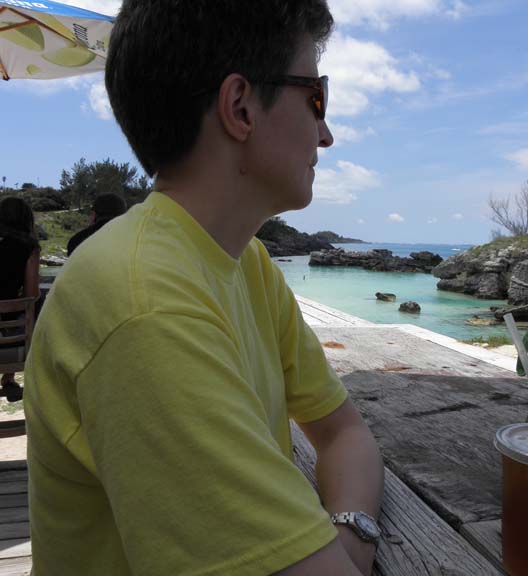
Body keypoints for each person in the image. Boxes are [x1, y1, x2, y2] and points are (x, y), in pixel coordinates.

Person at [24, 1, 384, 575]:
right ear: (239, 107)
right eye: (316, 98)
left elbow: (344, 433)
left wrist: (350, 535)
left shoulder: (247, 262)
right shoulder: (144, 306)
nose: (327, 134)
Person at [0, 197, 40, 402]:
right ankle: (9, 377)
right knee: (36, 306)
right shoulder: (28, 247)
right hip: (9, 337)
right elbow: (31, 295)